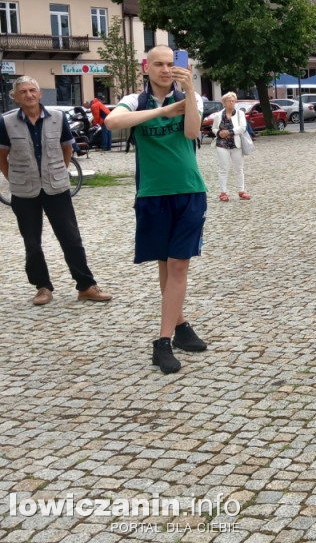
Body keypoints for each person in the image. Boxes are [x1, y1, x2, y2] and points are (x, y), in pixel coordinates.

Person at [105, 45, 207, 374]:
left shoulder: (191, 98)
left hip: (189, 190)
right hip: (152, 193)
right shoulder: (136, 100)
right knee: (165, 264)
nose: (165, 69)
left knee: (178, 265)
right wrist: (162, 112)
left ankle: (162, 342)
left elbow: (192, 132)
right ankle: (180, 327)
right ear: (146, 67)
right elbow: (112, 122)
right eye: (158, 64)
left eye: (170, 64)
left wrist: (189, 93)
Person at [0, 76, 111, 306]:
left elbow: (66, 149)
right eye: (23, 92)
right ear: (15, 97)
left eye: (32, 90)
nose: (29, 95)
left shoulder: (58, 117)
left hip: (56, 187)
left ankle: (86, 286)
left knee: (71, 238)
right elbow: (2, 156)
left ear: (40, 94)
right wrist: (14, 179)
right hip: (24, 191)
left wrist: (58, 171)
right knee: (32, 242)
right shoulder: (6, 122)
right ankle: (42, 287)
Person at [212, 92, 250, 202]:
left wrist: (230, 132)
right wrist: (219, 133)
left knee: (239, 168)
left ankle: (241, 191)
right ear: (224, 103)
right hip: (222, 144)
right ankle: (223, 192)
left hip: (236, 144)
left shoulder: (239, 114)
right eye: (229, 100)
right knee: (223, 168)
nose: (232, 102)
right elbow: (214, 128)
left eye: (234, 100)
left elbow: (242, 127)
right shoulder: (219, 115)